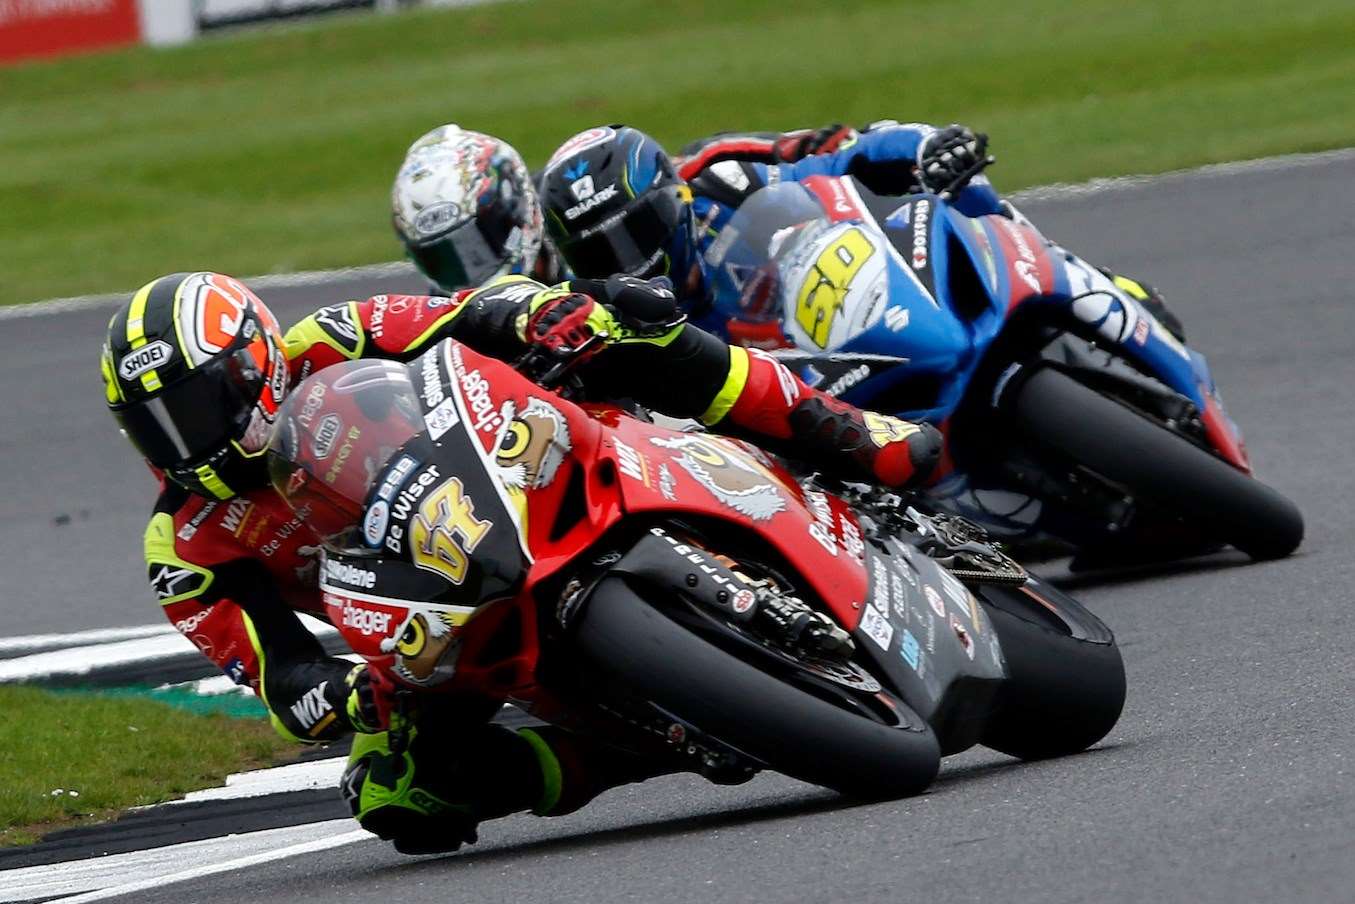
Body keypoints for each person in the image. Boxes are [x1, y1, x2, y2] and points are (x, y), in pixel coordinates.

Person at [100, 269, 941, 853]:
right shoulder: (184, 543)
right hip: (428, 616)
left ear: (257, 358)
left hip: (528, 461)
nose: (188, 440)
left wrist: (534, 316)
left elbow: (466, 312)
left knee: (630, 325)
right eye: (158, 424)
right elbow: (278, 672)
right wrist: (335, 694)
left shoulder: (332, 337)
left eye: (197, 404)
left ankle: (848, 432)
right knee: (399, 795)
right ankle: (645, 744)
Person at [538, 122, 1184, 341]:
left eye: (638, 229)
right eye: (602, 250)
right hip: (805, 388)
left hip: (855, 280)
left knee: (951, 188)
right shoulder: (604, 309)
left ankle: (1086, 279)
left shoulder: (718, 169)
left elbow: (841, 147)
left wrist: (926, 145)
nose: (631, 257)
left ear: (670, 193)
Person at [391, 125, 565, 294]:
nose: (470, 274)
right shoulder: (446, 317)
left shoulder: (571, 213)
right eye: (443, 261)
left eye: (478, 246)